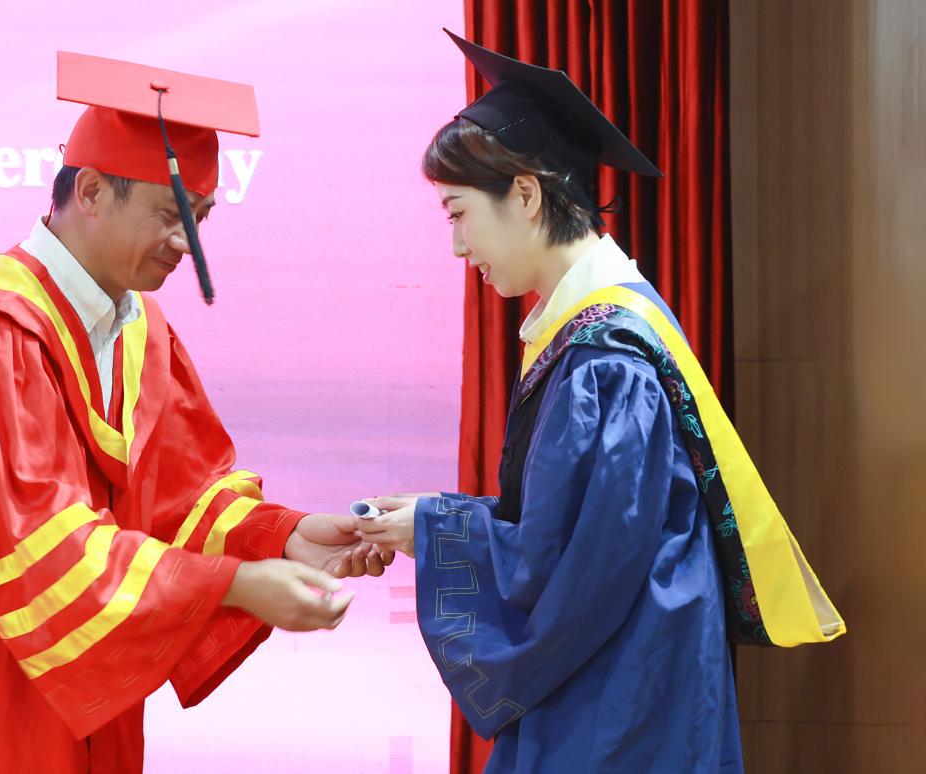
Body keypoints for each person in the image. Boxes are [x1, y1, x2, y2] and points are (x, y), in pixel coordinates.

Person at [0, 51, 389, 773]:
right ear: (92, 191)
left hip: (58, 680)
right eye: (171, 215)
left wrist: (280, 539)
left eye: (200, 219)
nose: (188, 244)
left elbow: (182, 499)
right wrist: (233, 585)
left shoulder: (139, 331)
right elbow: (41, 544)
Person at [355, 30, 844, 773]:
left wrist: (438, 531)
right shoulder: (600, 334)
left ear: (525, 194)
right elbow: (576, 530)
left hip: (617, 710)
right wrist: (432, 516)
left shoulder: (606, 364)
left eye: (457, 213)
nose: (457, 246)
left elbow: (567, 567)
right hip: (631, 685)